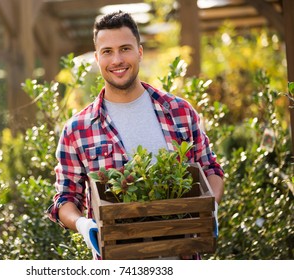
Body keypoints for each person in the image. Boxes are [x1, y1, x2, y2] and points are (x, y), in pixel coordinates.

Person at [47, 11, 224, 258]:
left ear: (139, 52)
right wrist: (82, 225)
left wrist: (210, 206)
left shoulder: (179, 112)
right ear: (97, 58)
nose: (117, 59)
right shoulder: (77, 129)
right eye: (107, 51)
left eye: (125, 49)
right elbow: (66, 198)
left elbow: (210, 170)